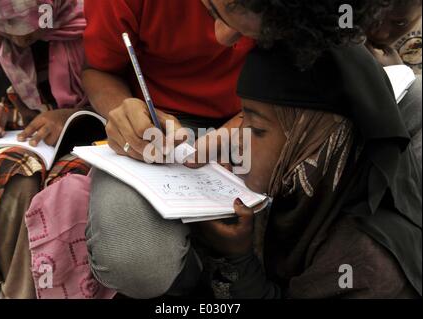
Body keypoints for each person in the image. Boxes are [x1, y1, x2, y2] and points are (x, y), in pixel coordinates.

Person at [83, 0, 395, 298]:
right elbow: (98, 70)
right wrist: (123, 112)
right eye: (211, 9)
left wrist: (244, 129)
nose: (221, 38)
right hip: (163, 128)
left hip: (273, 117)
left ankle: (232, 273)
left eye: (253, 31)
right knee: (136, 262)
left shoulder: (316, 13)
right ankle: (205, 279)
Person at [196, 44, 422, 298]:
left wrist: (238, 259)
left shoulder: (361, 265)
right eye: (241, 121)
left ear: (319, 146)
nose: (237, 141)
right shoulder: (311, 188)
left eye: (257, 129)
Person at [0, 0, 89, 298]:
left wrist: (70, 117)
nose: (20, 39)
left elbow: (128, 92)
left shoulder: (96, 14)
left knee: (62, 194)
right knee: (10, 175)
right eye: (7, 28)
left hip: (101, 133)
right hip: (22, 130)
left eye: (25, 26)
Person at [366, 0, 422, 162]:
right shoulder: (344, 16)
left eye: (400, 22)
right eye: (372, 16)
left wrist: (398, 73)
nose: (381, 33)